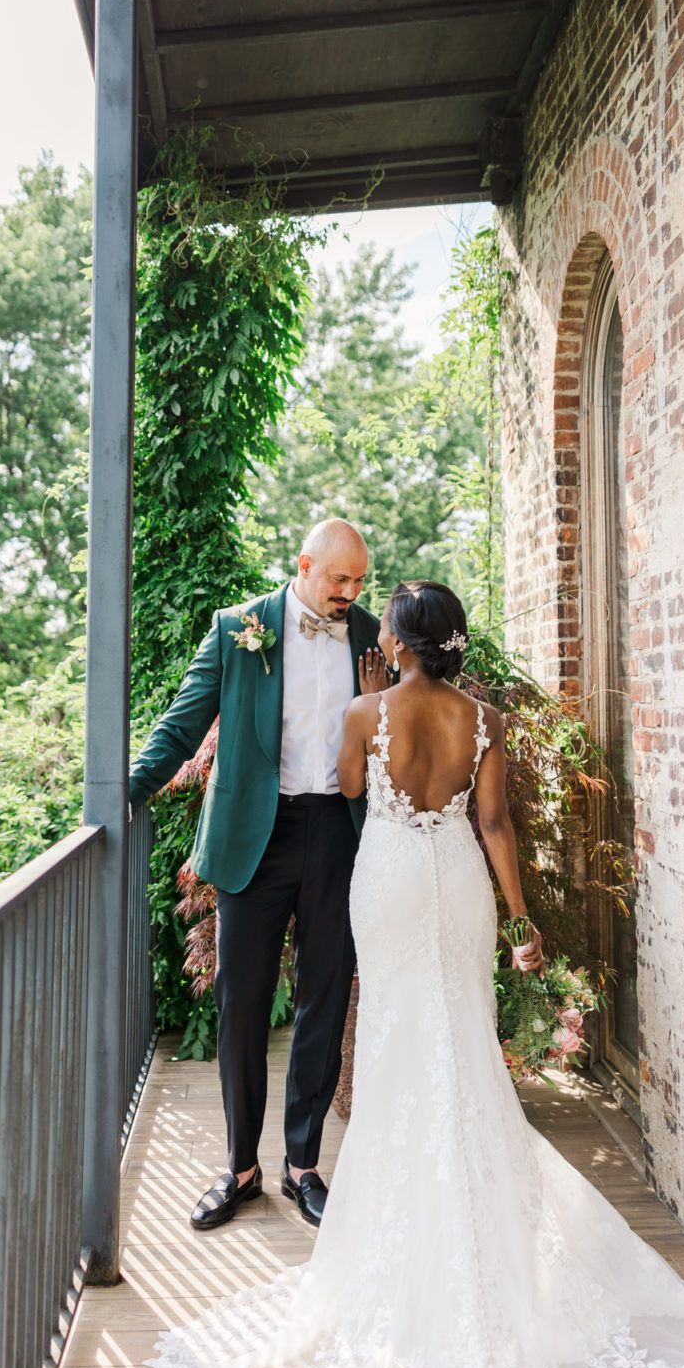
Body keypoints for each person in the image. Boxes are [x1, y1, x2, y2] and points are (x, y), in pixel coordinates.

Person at [147, 580, 684, 1368]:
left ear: (401, 644)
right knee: (460, 1037)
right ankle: (477, 1224)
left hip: (386, 883)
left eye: (383, 626)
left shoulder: (364, 713)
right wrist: (521, 919)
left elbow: (350, 789)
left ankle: (409, 1219)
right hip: (457, 883)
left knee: (395, 1040)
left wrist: (372, 703)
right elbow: (494, 823)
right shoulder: (484, 721)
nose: (374, 633)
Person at [128, 518, 390, 1231]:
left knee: (324, 997)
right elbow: (184, 724)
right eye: (339, 579)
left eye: (359, 580)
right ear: (304, 566)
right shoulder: (239, 628)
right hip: (256, 835)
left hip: (339, 831)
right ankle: (240, 1167)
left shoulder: (372, 635)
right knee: (241, 1000)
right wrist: (125, 789)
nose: (350, 592)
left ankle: (302, 1164)